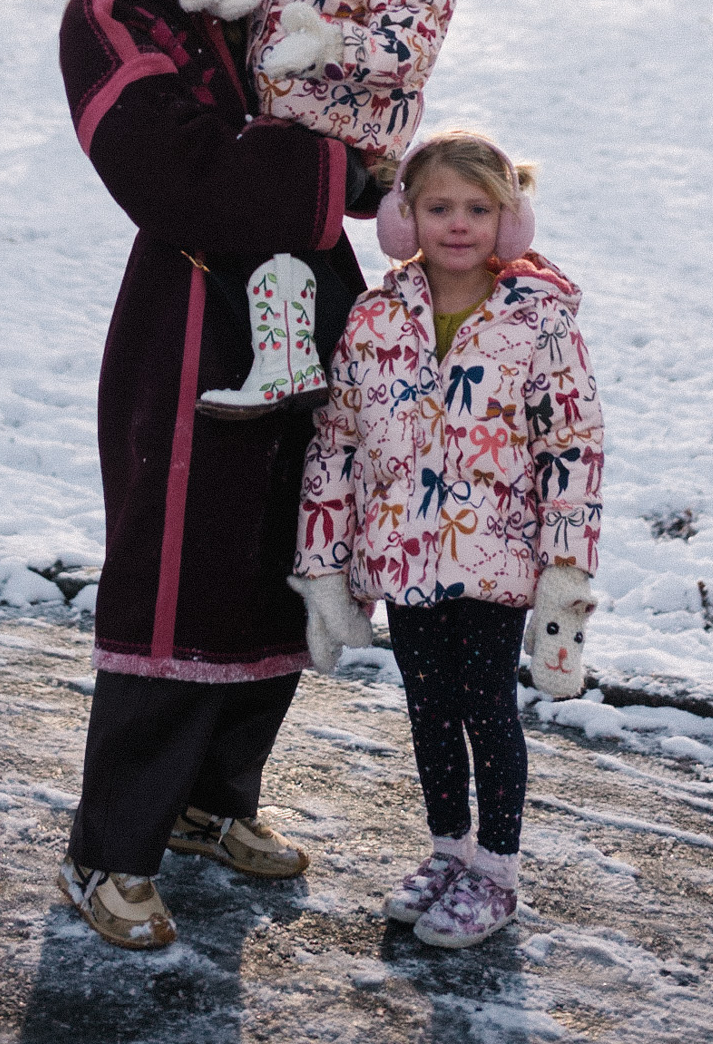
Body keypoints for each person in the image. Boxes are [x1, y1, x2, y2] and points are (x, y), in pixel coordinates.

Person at [56, 0, 367, 953]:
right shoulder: (107, 12)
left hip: (302, 313)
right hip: (190, 324)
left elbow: (306, 107)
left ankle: (209, 804)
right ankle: (108, 852)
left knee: (270, 565)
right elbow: (174, 175)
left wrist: (393, 154)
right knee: (177, 572)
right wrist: (327, 156)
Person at [290, 129, 604, 950]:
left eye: (477, 208)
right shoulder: (375, 316)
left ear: (510, 220)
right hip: (406, 557)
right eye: (438, 207)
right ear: (404, 217)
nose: (457, 224)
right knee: (429, 710)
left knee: (487, 709)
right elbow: (338, 443)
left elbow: (572, 444)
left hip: (499, 559)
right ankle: (447, 851)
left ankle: (496, 869)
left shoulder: (538, 320)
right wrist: (326, 566)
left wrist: (566, 573)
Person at [176, 0, 472, 418]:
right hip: (285, 130)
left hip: (351, 138)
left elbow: (411, 51)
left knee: (259, 198)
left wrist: (331, 45)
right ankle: (297, 365)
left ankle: (302, 367)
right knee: (266, 231)